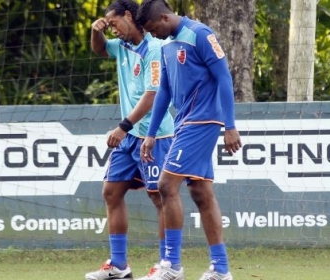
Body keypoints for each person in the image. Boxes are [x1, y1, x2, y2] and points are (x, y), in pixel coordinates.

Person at [137, 1, 242, 280]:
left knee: (166, 184)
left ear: (164, 16)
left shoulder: (200, 34)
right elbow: (164, 92)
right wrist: (151, 134)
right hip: (185, 122)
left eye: (152, 29)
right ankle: (220, 269)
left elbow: (224, 78)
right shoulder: (166, 44)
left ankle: (171, 265)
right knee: (200, 193)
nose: (152, 34)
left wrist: (229, 126)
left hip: (204, 120)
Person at [85, 1, 174, 280]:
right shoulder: (121, 45)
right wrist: (96, 31)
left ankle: (166, 265)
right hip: (130, 136)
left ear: (128, 16)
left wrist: (123, 126)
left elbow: (152, 95)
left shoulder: (155, 48)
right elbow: (99, 49)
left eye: (113, 23)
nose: (113, 30)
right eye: (108, 25)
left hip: (155, 134)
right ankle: (119, 265)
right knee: (111, 191)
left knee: (159, 197)